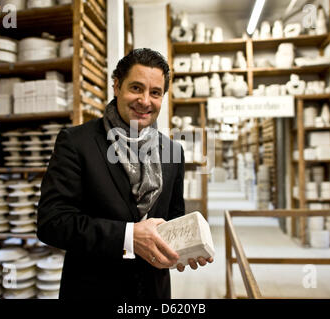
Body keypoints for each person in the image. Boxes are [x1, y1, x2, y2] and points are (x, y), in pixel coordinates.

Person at [37, 48, 213, 300]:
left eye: (155, 93)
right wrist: (128, 236)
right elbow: (52, 223)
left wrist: (184, 249)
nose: (145, 101)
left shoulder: (173, 151)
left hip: (154, 290)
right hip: (93, 290)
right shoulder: (76, 142)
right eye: (136, 88)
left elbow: (173, 218)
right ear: (116, 86)